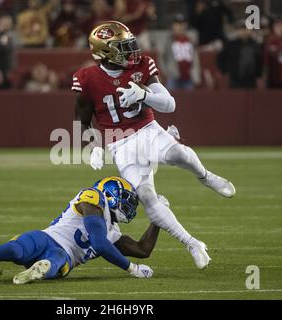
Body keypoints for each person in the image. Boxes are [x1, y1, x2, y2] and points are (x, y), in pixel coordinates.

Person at [73, 21, 236, 270]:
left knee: (178, 154)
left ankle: (206, 176)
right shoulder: (87, 78)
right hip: (120, 145)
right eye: (122, 46)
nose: (130, 50)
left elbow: (169, 105)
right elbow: (82, 121)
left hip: (148, 130)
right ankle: (192, 243)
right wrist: (93, 144)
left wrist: (144, 95)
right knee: (147, 196)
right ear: (106, 51)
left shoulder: (141, 65)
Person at [0, 176, 160, 284]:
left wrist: (158, 218)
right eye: (126, 199)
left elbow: (143, 249)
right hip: (51, 241)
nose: (129, 206)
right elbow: (99, 243)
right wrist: (132, 269)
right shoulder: (92, 198)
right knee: (18, 251)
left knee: (14, 251)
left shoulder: (114, 231)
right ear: (110, 193)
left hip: (46, 241)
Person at [217, 20, 263, 89]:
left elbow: (259, 61)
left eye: (246, 29)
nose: (244, 31)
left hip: (251, 80)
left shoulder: (255, 45)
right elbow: (220, 58)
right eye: (241, 29)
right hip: (235, 80)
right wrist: (225, 70)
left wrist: (259, 74)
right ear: (238, 31)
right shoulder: (231, 45)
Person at [165, 14, 201, 90]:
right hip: (173, 77)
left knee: (190, 100)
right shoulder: (169, 40)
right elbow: (162, 57)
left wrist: (195, 74)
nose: (180, 27)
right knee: (170, 100)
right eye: (177, 24)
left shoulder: (190, 39)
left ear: (185, 25)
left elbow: (195, 58)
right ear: (173, 26)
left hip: (188, 77)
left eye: (182, 24)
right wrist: (167, 72)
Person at [264, 18, 282, 89]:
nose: (280, 29)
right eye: (278, 26)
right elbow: (273, 53)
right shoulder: (271, 40)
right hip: (276, 79)